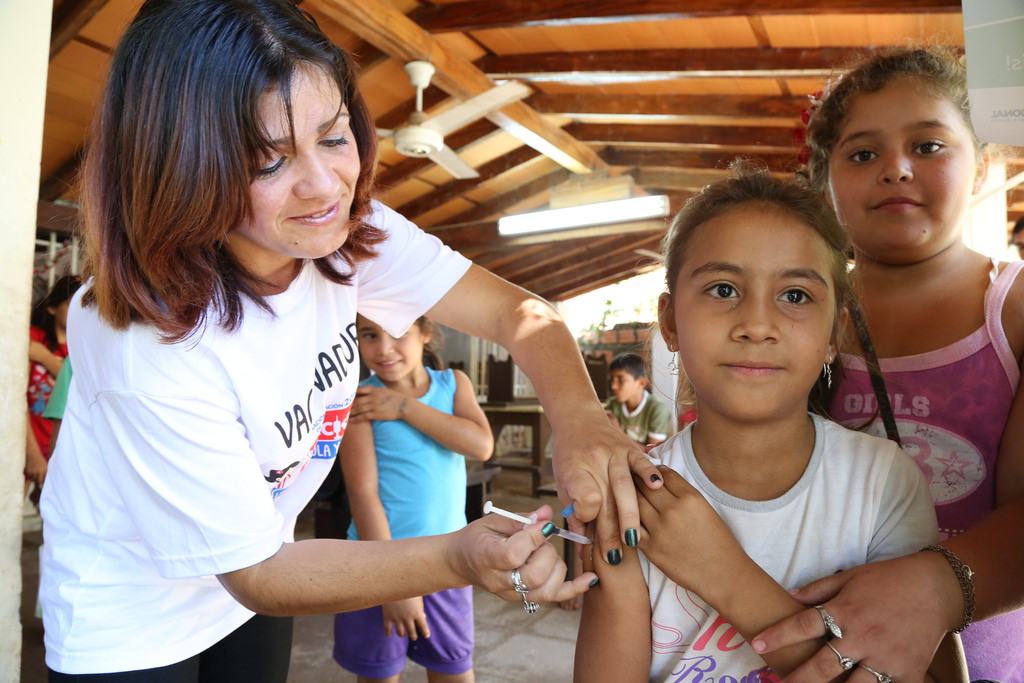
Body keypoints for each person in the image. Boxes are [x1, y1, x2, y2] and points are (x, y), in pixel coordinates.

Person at [37, 1, 658, 679]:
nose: (324, 185)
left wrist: (579, 419)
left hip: (246, 591)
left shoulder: (343, 236)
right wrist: (457, 555)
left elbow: (520, 315)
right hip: (129, 615)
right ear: (182, 166)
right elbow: (260, 573)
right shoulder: (144, 337)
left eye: (333, 137)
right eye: (267, 162)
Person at [573, 163, 965, 682]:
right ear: (670, 321)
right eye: (722, 289)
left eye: (795, 296)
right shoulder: (634, 497)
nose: (756, 325)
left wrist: (723, 573)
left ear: (834, 332)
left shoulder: (881, 482)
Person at [751, 46, 1024, 682]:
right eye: (863, 153)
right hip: (805, 645)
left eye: (928, 146)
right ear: (826, 183)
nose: (895, 169)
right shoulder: (794, 314)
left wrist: (937, 588)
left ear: (984, 167)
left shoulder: (1011, 310)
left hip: (982, 656)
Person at [334, 315, 493, 682]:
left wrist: (404, 407)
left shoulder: (454, 385)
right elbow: (363, 493)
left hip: (447, 560)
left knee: (452, 669)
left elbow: (481, 445)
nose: (384, 348)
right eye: (369, 335)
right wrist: (393, 583)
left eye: (399, 334)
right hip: (376, 562)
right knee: (380, 673)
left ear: (425, 333)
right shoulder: (361, 401)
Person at [25, 274, 81, 495]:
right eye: (71, 303)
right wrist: (32, 454)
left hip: (61, 450)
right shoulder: (33, 338)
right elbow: (15, 397)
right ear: (51, 307)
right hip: (28, 444)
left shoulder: (81, 346)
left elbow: (79, 383)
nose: (79, 310)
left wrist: (45, 358)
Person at [605, 352, 672, 447]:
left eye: (620, 379)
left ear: (641, 382)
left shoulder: (657, 409)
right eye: (612, 379)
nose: (613, 386)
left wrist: (618, 432)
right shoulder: (612, 405)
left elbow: (651, 452)